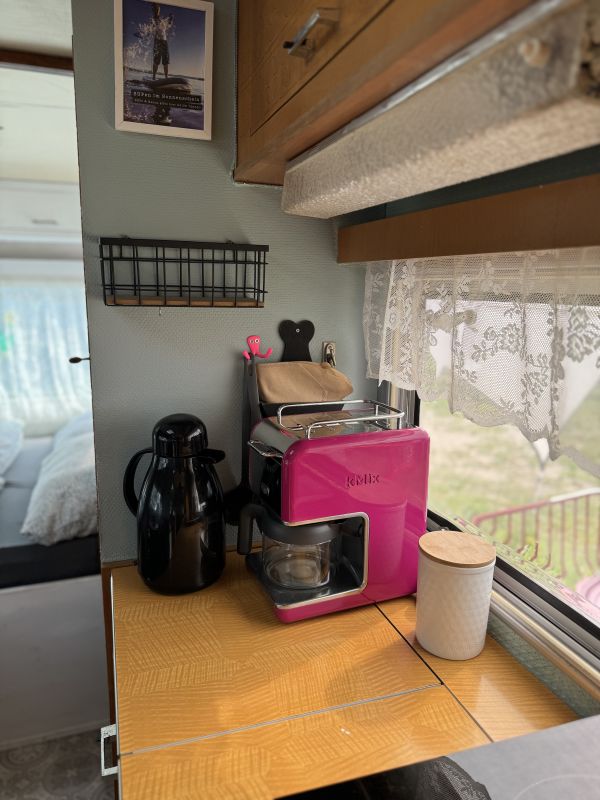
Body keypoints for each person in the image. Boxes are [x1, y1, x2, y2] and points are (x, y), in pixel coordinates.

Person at [151, 3, 173, 80]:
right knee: (156, 60)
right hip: (157, 41)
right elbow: (151, 30)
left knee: (166, 61)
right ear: (153, 10)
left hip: (164, 41)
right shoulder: (153, 20)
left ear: (159, 10)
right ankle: (153, 77)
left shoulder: (162, 20)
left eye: (158, 9)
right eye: (156, 9)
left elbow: (168, 26)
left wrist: (171, 20)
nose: (157, 11)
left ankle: (166, 78)